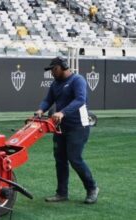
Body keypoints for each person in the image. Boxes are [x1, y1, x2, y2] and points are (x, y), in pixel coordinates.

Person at [35, 57, 99, 204]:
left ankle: (92, 188)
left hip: (78, 126)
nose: (51, 72)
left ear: (63, 66)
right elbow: (48, 100)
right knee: (60, 160)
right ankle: (61, 193)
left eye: (54, 69)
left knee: (75, 159)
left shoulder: (78, 80)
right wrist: (40, 109)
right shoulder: (55, 84)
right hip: (60, 127)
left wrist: (62, 112)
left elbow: (80, 99)